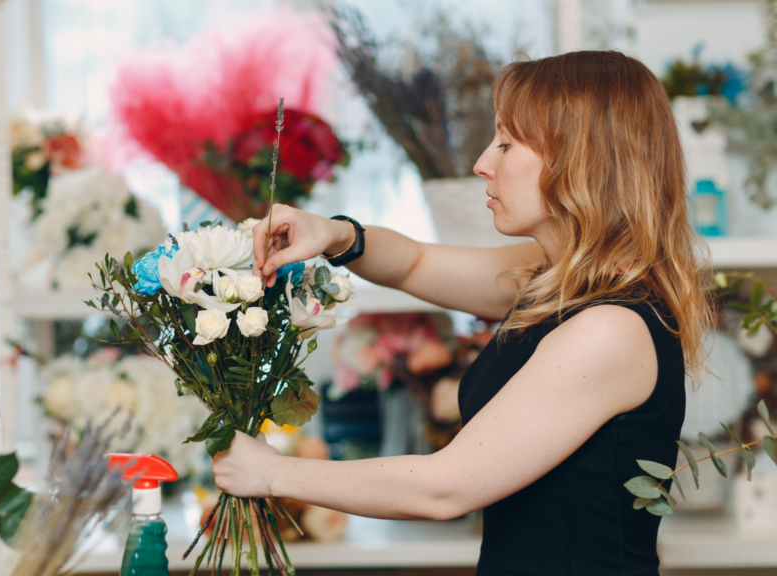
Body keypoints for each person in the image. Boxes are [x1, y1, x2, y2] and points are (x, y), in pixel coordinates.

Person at [211, 51, 713, 575]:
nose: (481, 163)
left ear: (578, 159)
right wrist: (337, 234)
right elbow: (414, 263)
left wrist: (272, 474)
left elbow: (444, 489)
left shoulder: (610, 328)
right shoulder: (554, 282)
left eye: (505, 142)